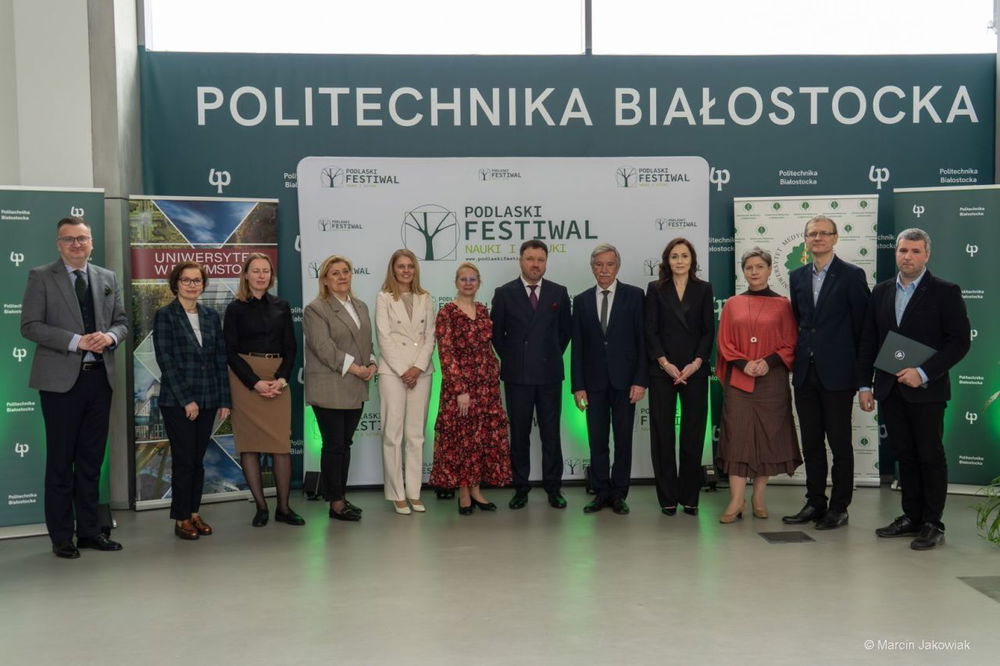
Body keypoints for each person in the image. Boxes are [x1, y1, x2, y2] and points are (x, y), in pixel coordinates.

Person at [20, 216, 128, 558]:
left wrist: (110, 337)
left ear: (91, 242)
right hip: (60, 384)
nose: (76, 244)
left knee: (91, 461)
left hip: (100, 380)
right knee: (60, 461)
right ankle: (62, 536)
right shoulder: (41, 276)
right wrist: (75, 341)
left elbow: (122, 322)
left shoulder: (107, 277)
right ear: (59, 244)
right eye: (69, 239)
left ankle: (91, 532)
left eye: (82, 238)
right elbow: (30, 326)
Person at [858, 228, 970, 550]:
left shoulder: (945, 292)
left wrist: (923, 373)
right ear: (896, 252)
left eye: (915, 251)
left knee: (929, 455)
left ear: (927, 255)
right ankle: (912, 517)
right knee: (904, 455)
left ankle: (933, 522)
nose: (907, 256)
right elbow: (869, 340)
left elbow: (959, 342)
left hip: (927, 390)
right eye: (902, 250)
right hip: (889, 389)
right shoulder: (880, 291)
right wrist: (864, 385)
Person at [783, 216, 871, 530]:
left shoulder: (852, 275)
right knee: (811, 443)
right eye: (812, 234)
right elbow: (802, 322)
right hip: (805, 372)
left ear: (835, 238)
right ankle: (815, 502)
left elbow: (864, 329)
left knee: (839, 443)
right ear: (805, 240)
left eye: (824, 233)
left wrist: (864, 380)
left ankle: (839, 507)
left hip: (838, 374)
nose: (817, 238)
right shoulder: (796, 276)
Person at [716, 247, 801, 524]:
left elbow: (791, 341)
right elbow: (724, 342)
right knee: (737, 436)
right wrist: (744, 364)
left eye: (759, 267)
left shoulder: (784, 305)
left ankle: (758, 498)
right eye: (749, 267)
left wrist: (768, 361)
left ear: (769, 269)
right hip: (740, 380)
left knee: (768, 437)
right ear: (743, 272)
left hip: (771, 380)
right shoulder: (732, 304)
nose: (754, 272)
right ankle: (736, 500)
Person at [224, 253, 303, 528]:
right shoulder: (234, 309)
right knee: (250, 446)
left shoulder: (282, 306)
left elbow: (291, 348)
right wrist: (254, 382)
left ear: (271, 276)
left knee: (281, 447)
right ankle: (261, 507)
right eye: (256, 270)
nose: (261, 275)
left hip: (277, 378)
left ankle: (284, 508)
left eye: (266, 271)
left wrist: (282, 379)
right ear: (246, 275)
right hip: (245, 380)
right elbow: (229, 351)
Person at [153, 262, 231, 540]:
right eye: (186, 280)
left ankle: (194, 512)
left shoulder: (210, 316)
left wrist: (224, 399)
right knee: (184, 460)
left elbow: (220, 359)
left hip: (208, 397)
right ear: (176, 283)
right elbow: (166, 361)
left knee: (197, 461)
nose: (191, 285)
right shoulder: (165, 315)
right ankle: (181, 518)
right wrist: (187, 400)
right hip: (178, 401)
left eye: (197, 280)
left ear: (203, 285)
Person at [491, 240, 572, 510]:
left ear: (546, 262)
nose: (535, 264)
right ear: (520, 260)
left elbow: (565, 332)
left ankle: (553, 488)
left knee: (551, 434)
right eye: (530, 259)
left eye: (540, 259)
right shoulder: (504, 293)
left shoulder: (559, 292)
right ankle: (520, 487)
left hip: (549, 375)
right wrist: (516, 359)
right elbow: (497, 336)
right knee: (519, 434)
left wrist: (549, 354)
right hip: (518, 376)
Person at [429, 263, 512, 514]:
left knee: (480, 438)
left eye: (472, 279)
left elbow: (488, 346)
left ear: (479, 282)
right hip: (461, 388)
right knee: (462, 439)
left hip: (486, 386)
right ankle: (464, 493)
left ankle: (476, 490)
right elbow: (446, 353)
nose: (468, 283)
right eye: (463, 279)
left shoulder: (483, 310)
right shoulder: (447, 312)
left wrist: (494, 371)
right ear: (456, 282)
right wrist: (460, 389)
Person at [571, 244, 647, 515]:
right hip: (593, 385)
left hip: (626, 383)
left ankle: (619, 494)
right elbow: (577, 346)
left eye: (609, 264)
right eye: (599, 264)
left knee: (623, 440)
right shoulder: (581, 300)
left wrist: (640, 380)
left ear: (618, 267)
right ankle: (601, 491)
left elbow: (642, 341)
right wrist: (578, 385)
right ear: (592, 267)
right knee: (597, 440)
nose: (604, 269)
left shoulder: (635, 296)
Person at [644, 238, 714, 517]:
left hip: (694, 371)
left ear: (692, 260)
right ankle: (667, 498)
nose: (680, 261)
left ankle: (690, 497)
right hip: (663, 371)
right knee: (662, 435)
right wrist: (665, 363)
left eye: (684, 255)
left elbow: (708, 330)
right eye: (674, 256)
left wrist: (696, 363)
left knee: (693, 435)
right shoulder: (655, 289)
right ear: (667, 261)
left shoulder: (704, 289)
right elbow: (650, 330)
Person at [303, 255, 375, 522]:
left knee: (344, 444)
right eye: (335, 273)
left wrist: (372, 363)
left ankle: (340, 496)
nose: (342, 276)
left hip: (355, 385)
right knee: (334, 446)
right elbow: (324, 348)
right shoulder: (316, 309)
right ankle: (335, 504)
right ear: (325, 279)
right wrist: (357, 369)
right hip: (330, 386)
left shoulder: (360, 306)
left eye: (346, 271)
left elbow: (367, 342)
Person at [376, 249, 435, 515]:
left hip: (421, 372)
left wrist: (417, 368)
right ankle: (397, 494)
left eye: (410, 266)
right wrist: (403, 371)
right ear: (393, 269)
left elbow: (430, 336)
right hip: (393, 373)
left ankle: (414, 492)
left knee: (416, 435)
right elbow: (383, 337)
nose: (406, 270)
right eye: (401, 266)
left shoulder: (425, 297)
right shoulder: (384, 297)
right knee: (392, 434)